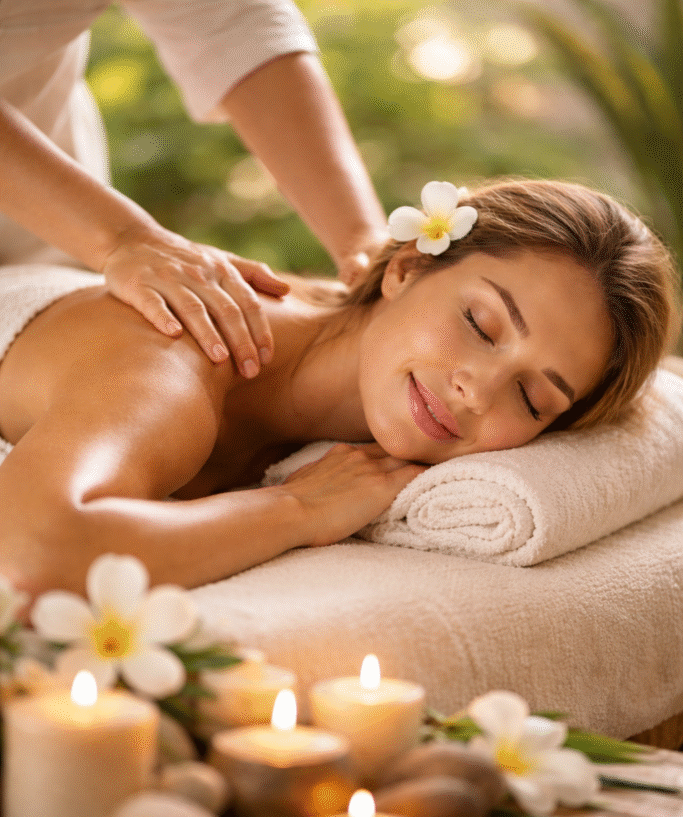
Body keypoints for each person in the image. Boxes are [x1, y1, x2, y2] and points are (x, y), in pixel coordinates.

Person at [0, 178, 677, 599]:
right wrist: (296, 509)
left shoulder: (344, 375)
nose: (478, 391)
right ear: (407, 268)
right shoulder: (175, 358)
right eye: (480, 323)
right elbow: (33, 554)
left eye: (534, 400)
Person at [0, 0, 388, 374]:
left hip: (48, 241)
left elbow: (234, 22)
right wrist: (123, 237)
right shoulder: (159, 371)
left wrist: (362, 241)